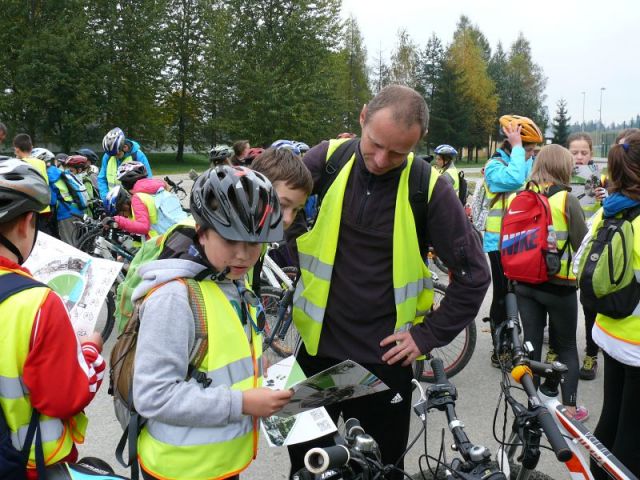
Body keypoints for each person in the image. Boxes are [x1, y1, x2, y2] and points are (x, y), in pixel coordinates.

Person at [286, 85, 490, 478]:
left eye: (397, 153)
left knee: (380, 470)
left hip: (384, 363)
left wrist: (427, 336)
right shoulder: (328, 158)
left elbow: (474, 274)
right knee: (305, 469)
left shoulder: (427, 186)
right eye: (375, 144)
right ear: (362, 118)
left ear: (417, 144)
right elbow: (263, 196)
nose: (381, 160)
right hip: (317, 355)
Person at [131, 165, 292, 480]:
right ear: (202, 231)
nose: (244, 256)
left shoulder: (233, 282)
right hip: (179, 470)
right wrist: (242, 403)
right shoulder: (174, 298)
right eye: (232, 241)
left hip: (220, 464)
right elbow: (154, 395)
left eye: (255, 243)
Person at [0, 158, 105, 479]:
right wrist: (90, 351)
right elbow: (65, 398)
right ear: (26, 222)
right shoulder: (36, 302)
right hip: (27, 464)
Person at [511, 144, 589, 421]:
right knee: (566, 345)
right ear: (562, 168)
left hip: (525, 282)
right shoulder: (567, 200)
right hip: (559, 284)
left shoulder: (522, 196)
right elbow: (582, 244)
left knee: (531, 343)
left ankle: (534, 403)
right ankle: (569, 409)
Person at [589, 132, 640, 479]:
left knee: (612, 416)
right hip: (637, 342)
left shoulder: (607, 212)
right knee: (632, 435)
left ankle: (595, 470)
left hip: (610, 331)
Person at [482, 114, 543, 367]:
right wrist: (519, 147)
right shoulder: (494, 166)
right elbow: (515, 179)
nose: (531, 155)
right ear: (513, 145)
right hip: (498, 243)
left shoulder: (524, 162)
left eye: (532, 150)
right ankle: (500, 349)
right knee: (503, 294)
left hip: (519, 241)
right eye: (529, 149)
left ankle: (515, 341)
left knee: (517, 294)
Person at [566, 132, 607, 379]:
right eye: (574, 152)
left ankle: (592, 353)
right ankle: (561, 346)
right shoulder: (561, 175)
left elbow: (610, 213)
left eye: (584, 152)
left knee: (589, 303)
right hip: (564, 248)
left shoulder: (600, 179)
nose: (579, 157)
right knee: (563, 300)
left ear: (591, 154)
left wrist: (606, 200)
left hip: (591, 248)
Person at [251, 147, 313, 266]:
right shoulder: (225, 245)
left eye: (296, 209)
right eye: (281, 204)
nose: (288, 219)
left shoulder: (259, 238)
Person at [103, 162, 170, 240]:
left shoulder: (138, 197)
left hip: (158, 242)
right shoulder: (158, 191)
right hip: (171, 235)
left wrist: (118, 220)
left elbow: (143, 227)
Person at [98, 127, 152, 200]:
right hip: (113, 201)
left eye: (117, 154)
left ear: (125, 147)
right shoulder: (108, 156)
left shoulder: (138, 155)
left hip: (133, 200)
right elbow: (102, 178)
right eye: (112, 155)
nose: (115, 157)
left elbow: (148, 179)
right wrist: (105, 197)